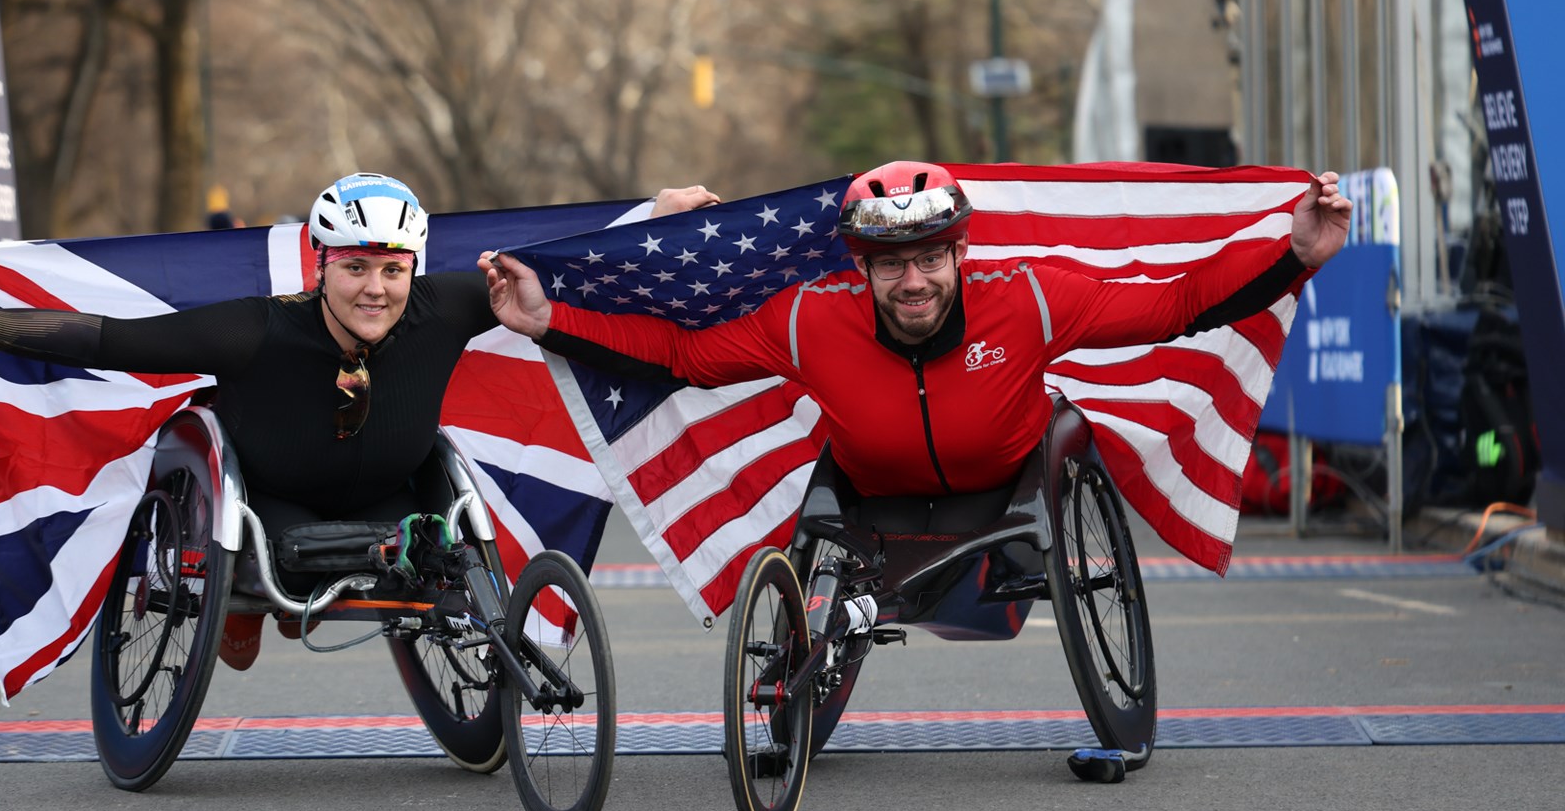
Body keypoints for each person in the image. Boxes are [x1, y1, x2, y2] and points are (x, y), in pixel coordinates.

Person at [0, 173, 721, 669]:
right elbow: (109, 338)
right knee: (284, 573)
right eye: (355, 268)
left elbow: (560, 261)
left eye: (391, 270)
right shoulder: (253, 329)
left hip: (396, 491)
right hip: (274, 504)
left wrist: (656, 215)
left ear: (414, 268)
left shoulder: (447, 306)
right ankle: (244, 605)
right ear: (322, 265)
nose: (375, 289)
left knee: (432, 549)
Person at [480, 160, 1351, 507]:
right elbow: (681, 357)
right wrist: (551, 322)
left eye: (932, 257)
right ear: (859, 265)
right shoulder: (809, 317)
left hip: (1007, 482)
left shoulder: (1029, 299)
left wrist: (1294, 255)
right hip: (870, 492)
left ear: (961, 251)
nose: (914, 282)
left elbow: (1176, 305)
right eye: (891, 264)